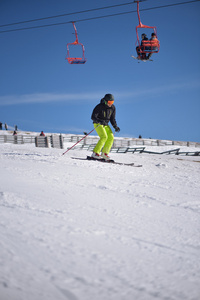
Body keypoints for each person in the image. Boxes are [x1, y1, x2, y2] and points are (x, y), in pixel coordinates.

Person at [91, 94, 120, 161]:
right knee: (104, 137)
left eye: (112, 102)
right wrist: (99, 121)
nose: (110, 104)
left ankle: (104, 153)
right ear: (105, 101)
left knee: (111, 137)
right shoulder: (99, 106)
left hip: (106, 124)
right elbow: (93, 117)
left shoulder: (113, 108)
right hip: (98, 123)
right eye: (109, 102)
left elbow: (112, 119)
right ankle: (95, 153)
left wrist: (115, 126)